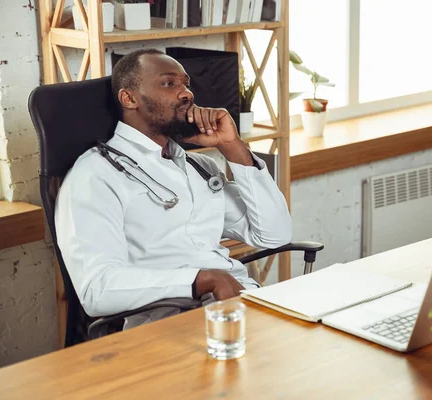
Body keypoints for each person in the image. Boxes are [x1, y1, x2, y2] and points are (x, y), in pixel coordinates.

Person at [54, 48, 292, 329]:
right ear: (129, 98)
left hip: (239, 303)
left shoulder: (199, 167)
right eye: (169, 83)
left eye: (186, 84)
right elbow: (96, 289)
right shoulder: (95, 175)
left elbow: (275, 235)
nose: (186, 94)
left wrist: (232, 147)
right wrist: (202, 280)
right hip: (170, 321)